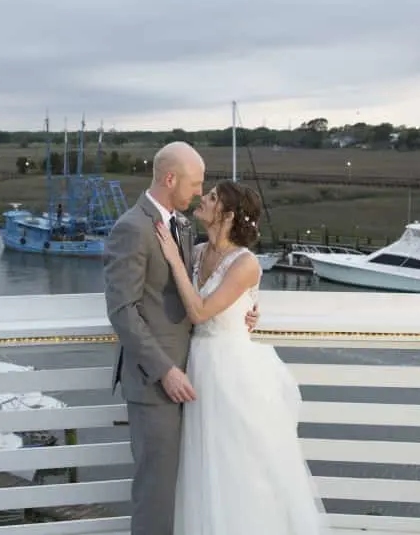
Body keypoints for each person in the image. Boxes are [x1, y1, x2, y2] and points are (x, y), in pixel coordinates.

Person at [153, 180, 328, 534]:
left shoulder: (245, 263)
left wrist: (173, 259)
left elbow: (201, 312)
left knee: (240, 466)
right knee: (204, 466)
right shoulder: (199, 251)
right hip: (198, 365)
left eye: (213, 197)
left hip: (232, 373)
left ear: (228, 215)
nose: (204, 198)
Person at [104, 142, 258, 535]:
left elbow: (216, 282)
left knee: (193, 485)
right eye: (195, 184)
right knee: (156, 493)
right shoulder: (132, 228)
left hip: (200, 376)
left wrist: (244, 310)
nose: (198, 193)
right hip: (157, 383)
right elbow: (123, 310)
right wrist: (164, 371)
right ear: (170, 178)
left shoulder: (184, 226)